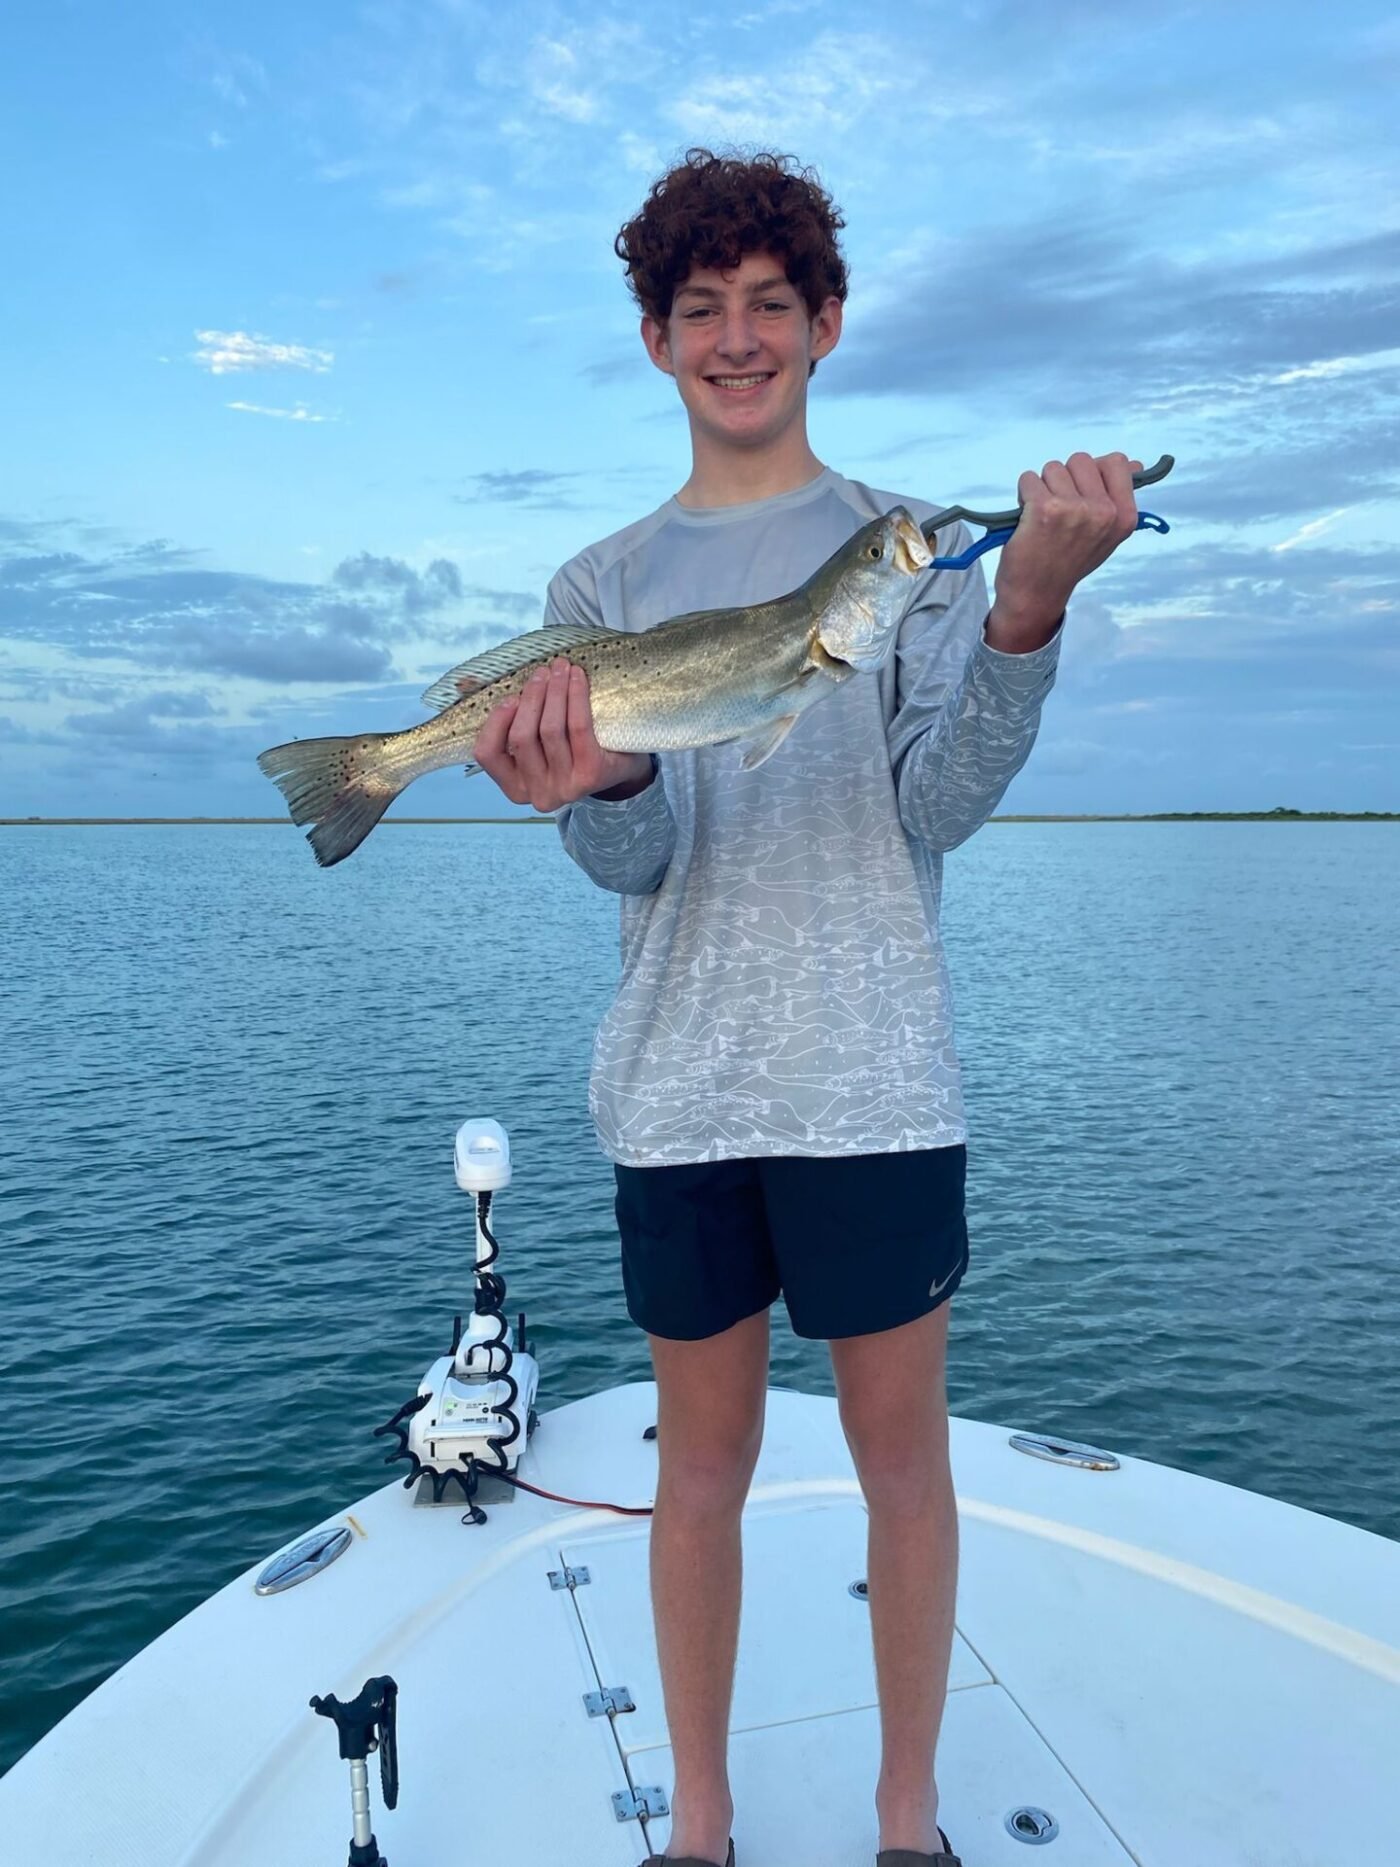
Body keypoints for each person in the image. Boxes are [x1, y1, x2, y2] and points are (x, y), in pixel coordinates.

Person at [473, 148, 1144, 1867]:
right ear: (653, 338)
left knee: (899, 1467)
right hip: (679, 1093)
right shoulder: (597, 588)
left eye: (773, 303)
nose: (739, 335)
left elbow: (935, 804)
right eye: (702, 308)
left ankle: (905, 1818)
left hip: (877, 1088)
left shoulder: (906, 548)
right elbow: (628, 869)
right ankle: (698, 1823)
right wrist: (592, 788)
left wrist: (1030, 614)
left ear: (828, 323)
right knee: (696, 1474)